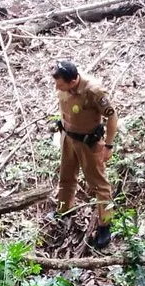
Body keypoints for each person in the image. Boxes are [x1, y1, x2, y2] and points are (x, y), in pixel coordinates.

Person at [51, 60, 119, 249]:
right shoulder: (64, 86)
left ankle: (105, 224)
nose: (57, 87)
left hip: (88, 143)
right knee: (66, 177)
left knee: (99, 184)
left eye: (60, 84)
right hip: (67, 138)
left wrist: (109, 145)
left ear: (73, 81)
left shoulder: (93, 92)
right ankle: (64, 209)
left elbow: (112, 116)